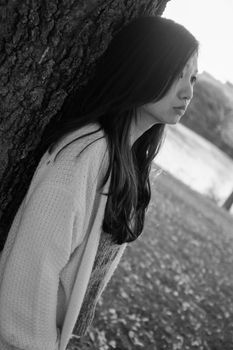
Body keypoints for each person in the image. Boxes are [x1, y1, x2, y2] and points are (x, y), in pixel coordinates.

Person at [0, 15, 198, 350]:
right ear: (143, 68)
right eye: (177, 74)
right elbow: (32, 270)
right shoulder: (84, 154)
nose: (188, 92)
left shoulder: (125, 159)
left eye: (193, 78)